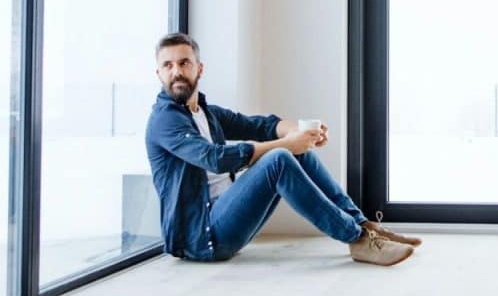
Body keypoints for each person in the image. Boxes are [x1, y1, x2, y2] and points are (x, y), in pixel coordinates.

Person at [145, 32, 419, 266]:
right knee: (279, 157)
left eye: (184, 63)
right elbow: (215, 159)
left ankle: (363, 225)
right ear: (159, 73)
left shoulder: (206, 113)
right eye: (167, 65)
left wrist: (300, 132)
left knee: (294, 151)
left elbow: (259, 125)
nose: (176, 72)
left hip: (226, 219)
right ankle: (357, 239)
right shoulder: (164, 120)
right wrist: (285, 144)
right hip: (202, 238)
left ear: (199, 68)